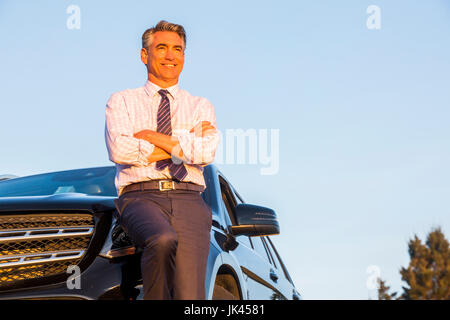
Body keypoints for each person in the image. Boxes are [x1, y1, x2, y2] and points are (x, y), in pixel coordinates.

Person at [104, 20, 220, 300]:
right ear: (145, 55)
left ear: (184, 56)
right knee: (162, 238)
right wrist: (183, 143)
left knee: (190, 295)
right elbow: (120, 150)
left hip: (190, 199)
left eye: (178, 49)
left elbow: (206, 153)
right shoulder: (121, 101)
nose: (171, 56)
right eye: (162, 48)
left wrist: (153, 138)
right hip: (139, 197)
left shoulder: (200, 105)